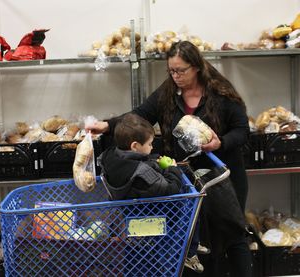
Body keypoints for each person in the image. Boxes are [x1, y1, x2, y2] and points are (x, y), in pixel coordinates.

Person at [87, 41, 252, 276]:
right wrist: (106, 125)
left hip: (222, 174)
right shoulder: (168, 92)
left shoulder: (221, 93)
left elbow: (242, 131)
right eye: (171, 71)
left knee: (232, 232)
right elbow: (141, 114)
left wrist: (220, 143)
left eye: (181, 71)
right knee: (198, 237)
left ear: (196, 67)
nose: (175, 76)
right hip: (188, 177)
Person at [98, 113, 205, 273]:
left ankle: (189, 246)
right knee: (190, 206)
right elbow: (170, 189)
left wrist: (154, 163)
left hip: (131, 217)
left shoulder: (110, 156)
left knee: (136, 263)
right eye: (149, 144)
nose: (152, 147)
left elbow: (137, 162)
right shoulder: (141, 173)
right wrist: (172, 169)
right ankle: (189, 250)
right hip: (154, 219)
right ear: (134, 146)